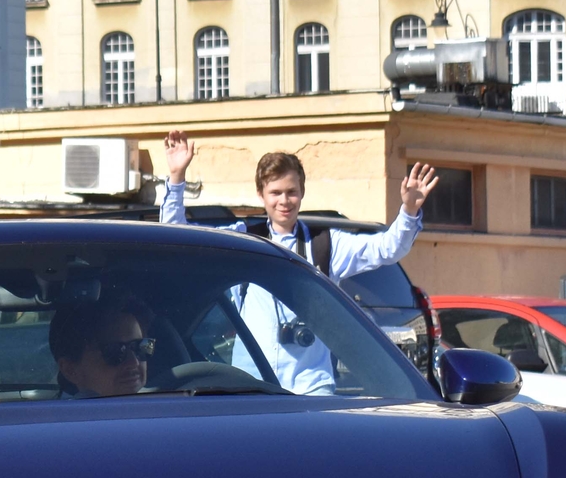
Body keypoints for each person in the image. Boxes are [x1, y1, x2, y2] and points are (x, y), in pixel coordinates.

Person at [157, 134, 440, 394]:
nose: (284, 201)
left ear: (302, 192)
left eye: (291, 192)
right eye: (275, 193)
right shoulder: (243, 242)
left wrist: (409, 211)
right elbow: (179, 239)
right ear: (261, 195)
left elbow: (387, 248)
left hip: (311, 389)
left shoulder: (325, 246)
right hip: (249, 387)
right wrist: (177, 177)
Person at [49, 294, 155, 398]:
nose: (133, 362)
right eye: (114, 351)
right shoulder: (65, 415)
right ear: (70, 370)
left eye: (140, 347)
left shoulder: (165, 401)